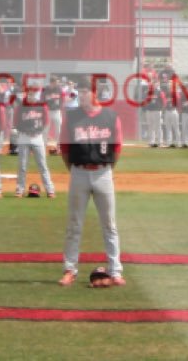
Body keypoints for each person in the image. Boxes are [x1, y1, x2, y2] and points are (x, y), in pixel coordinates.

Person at [58, 77, 125, 287]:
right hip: (79, 172)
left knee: (109, 225)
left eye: (86, 91)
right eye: (80, 91)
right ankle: (70, 269)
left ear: (95, 93)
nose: (82, 95)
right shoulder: (72, 117)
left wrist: (106, 169)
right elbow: (65, 148)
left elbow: (117, 148)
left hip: (103, 173)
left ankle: (115, 271)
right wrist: (74, 170)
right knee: (74, 224)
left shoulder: (110, 116)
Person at [14, 89, 56, 198]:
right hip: (24, 137)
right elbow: (16, 122)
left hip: (37, 137)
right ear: (27, 94)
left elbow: (46, 121)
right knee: (22, 166)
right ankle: (20, 189)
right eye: (29, 94)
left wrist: (38, 130)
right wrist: (24, 130)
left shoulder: (41, 106)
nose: (31, 96)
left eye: (33, 94)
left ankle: (50, 190)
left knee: (42, 165)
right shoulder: (20, 107)